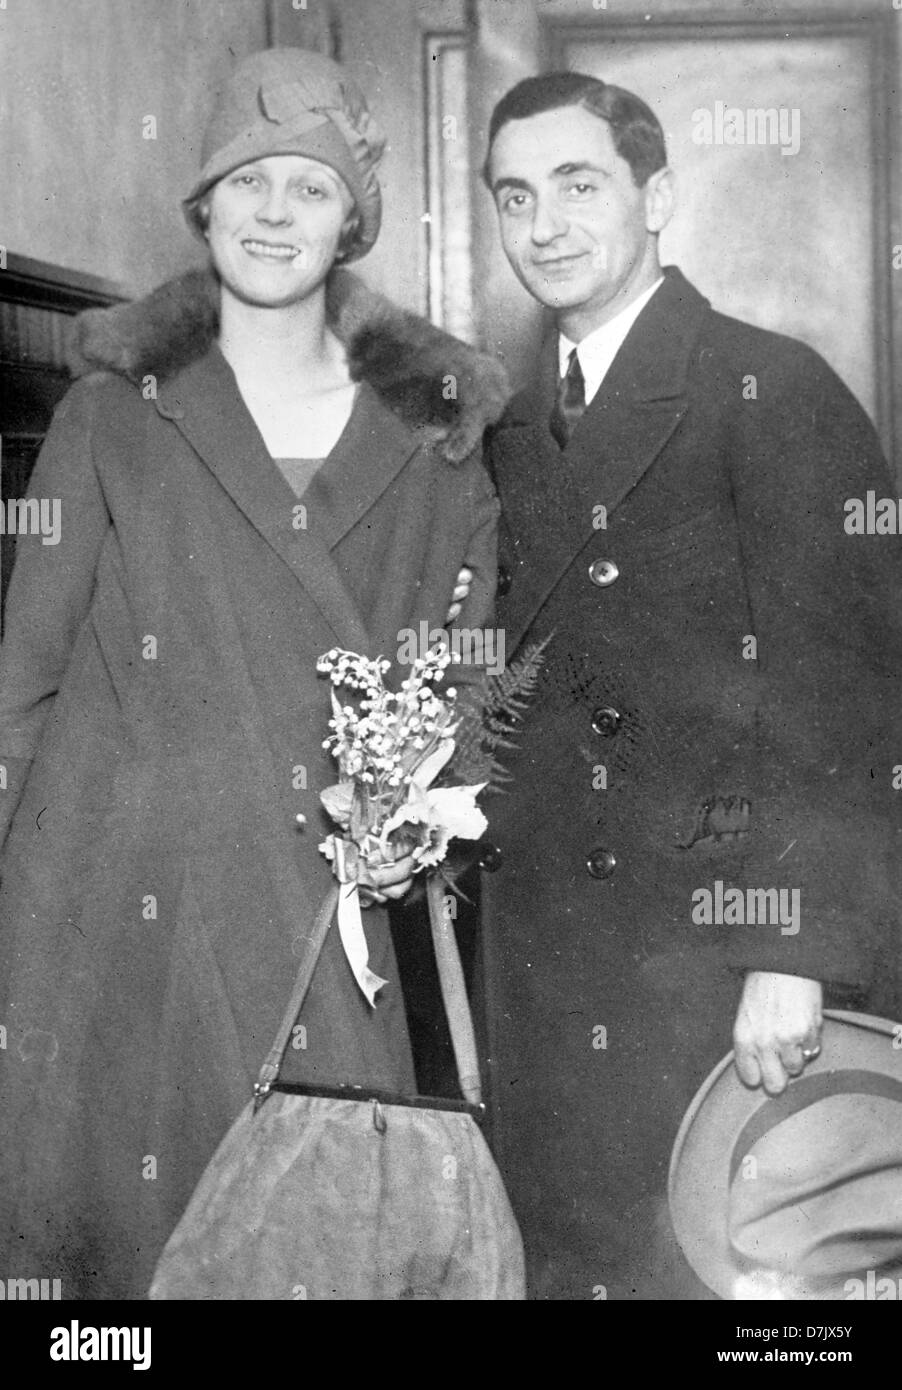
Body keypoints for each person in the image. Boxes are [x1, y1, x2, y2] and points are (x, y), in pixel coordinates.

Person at [0, 48, 504, 1300]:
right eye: (246, 181)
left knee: (314, 1243)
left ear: (352, 223)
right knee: (130, 1271)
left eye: (311, 188)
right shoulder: (113, 415)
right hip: (128, 916)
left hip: (332, 926)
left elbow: (466, 684)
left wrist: (418, 821)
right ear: (204, 205)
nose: (275, 212)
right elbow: (23, 681)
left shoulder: (436, 440)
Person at [475, 71, 902, 1299]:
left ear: (656, 198)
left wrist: (799, 947)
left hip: (709, 961)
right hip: (546, 955)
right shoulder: (507, 428)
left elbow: (845, 697)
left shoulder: (768, 387)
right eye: (514, 196)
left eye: (576, 184)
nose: (542, 224)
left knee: (707, 1272)